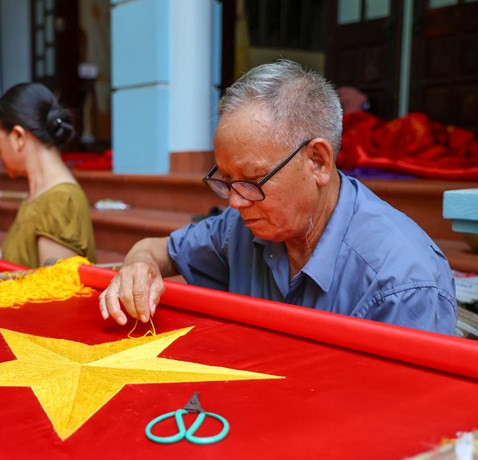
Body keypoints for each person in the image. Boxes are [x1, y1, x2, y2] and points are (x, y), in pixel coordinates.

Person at [99, 59, 456, 335]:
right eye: (227, 180)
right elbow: (159, 249)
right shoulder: (241, 228)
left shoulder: (401, 283)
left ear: (318, 162)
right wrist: (139, 265)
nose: (235, 202)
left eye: (253, 180)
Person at [0, 82, 97, 268]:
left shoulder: (60, 201)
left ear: (18, 137)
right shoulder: (43, 194)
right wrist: (3, 255)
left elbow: (54, 284)